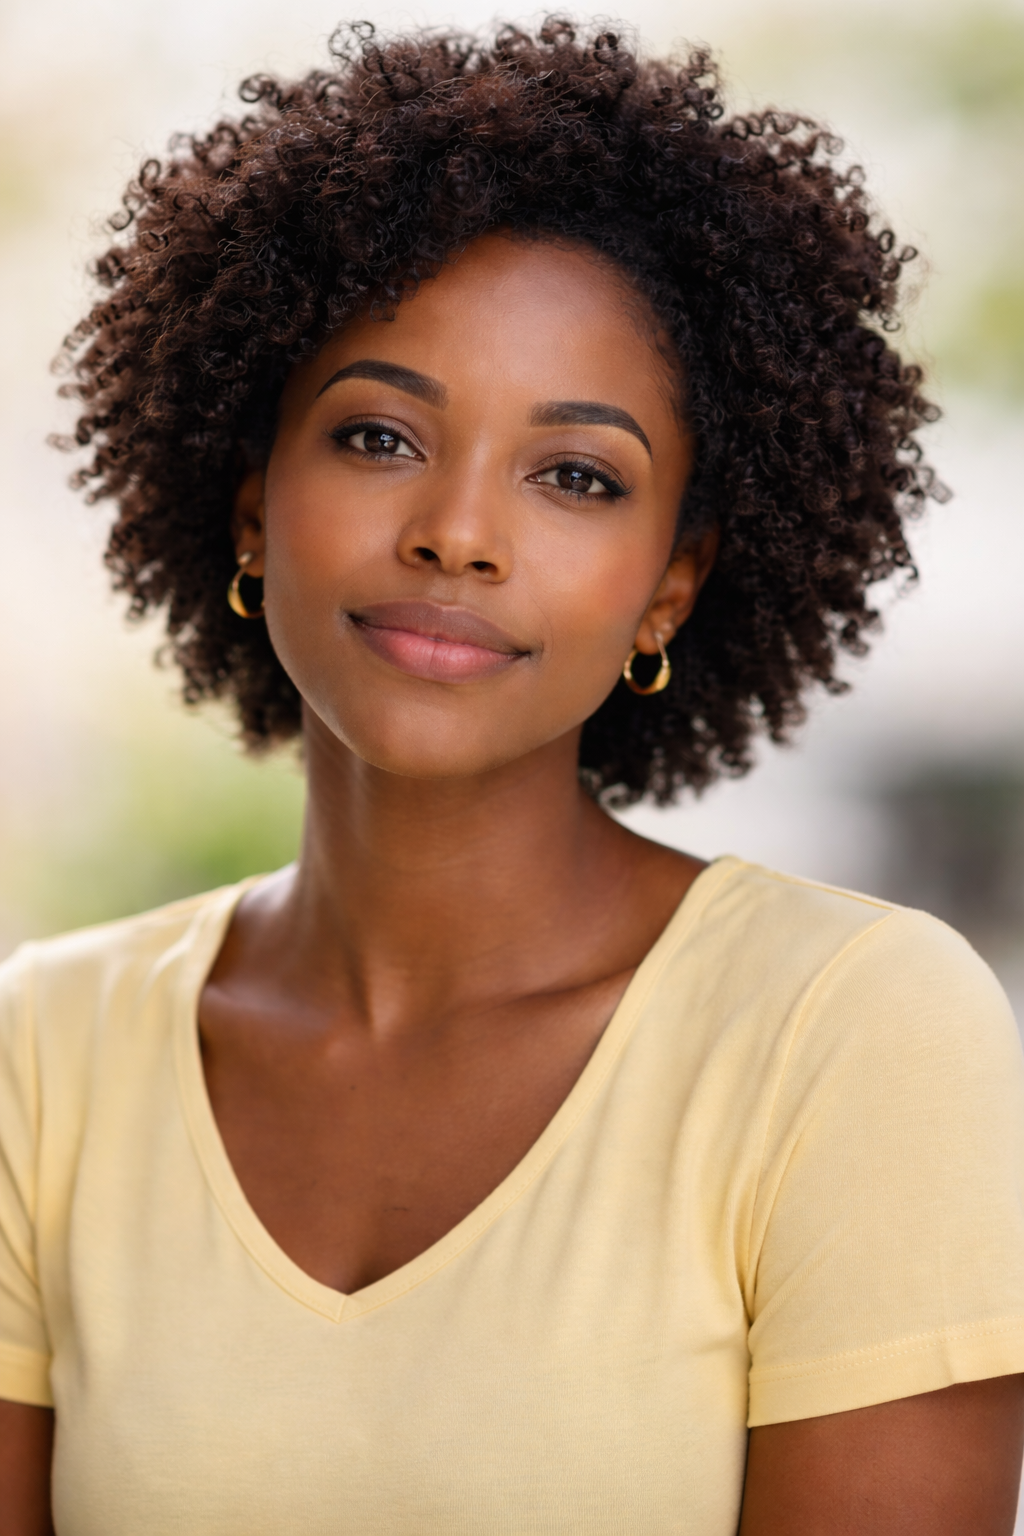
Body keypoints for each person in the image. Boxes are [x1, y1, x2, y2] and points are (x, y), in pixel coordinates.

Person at [1, 20, 1023, 1535]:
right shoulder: (46, 1055)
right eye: (376, 433)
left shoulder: (851, 1033)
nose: (458, 533)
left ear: (670, 587)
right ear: (251, 507)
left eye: (577, 476)